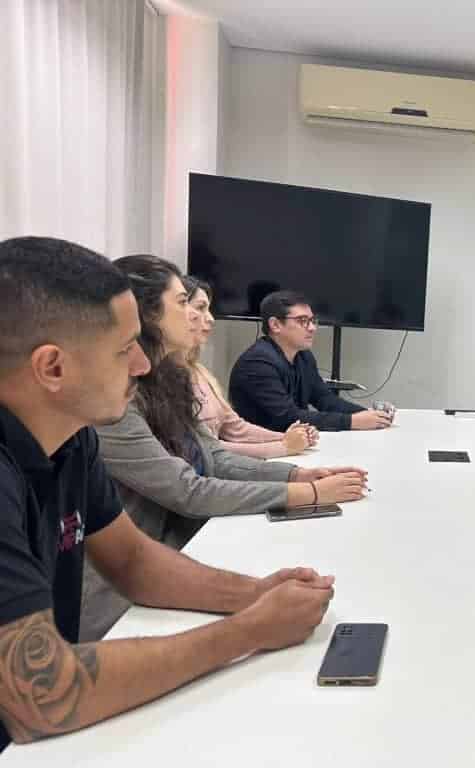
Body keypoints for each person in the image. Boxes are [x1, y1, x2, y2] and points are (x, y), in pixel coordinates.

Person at [0, 237, 335, 752]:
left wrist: (256, 593)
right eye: (124, 349)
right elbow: (44, 696)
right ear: (52, 368)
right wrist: (248, 630)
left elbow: (132, 560)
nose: (141, 364)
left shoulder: (71, 436)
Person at [85, 256, 368, 640]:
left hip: (179, 551)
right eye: (185, 303)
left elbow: (213, 457)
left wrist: (298, 476)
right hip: (124, 597)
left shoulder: (170, 379)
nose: (199, 317)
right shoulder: (111, 403)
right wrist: (309, 493)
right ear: (145, 316)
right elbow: (186, 490)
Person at [184, 276, 318, 459]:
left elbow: (234, 428)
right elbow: (203, 447)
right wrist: (283, 446)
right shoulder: (257, 362)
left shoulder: (200, 373)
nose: (211, 319)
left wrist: (286, 438)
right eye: (200, 308)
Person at [229, 291, 394, 432]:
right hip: (261, 448)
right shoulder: (257, 364)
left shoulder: (303, 356)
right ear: (275, 325)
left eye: (313, 320)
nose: (312, 328)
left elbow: (325, 400)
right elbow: (288, 417)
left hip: (291, 443)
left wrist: (370, 415)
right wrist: (352, 421)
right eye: (302, 321)